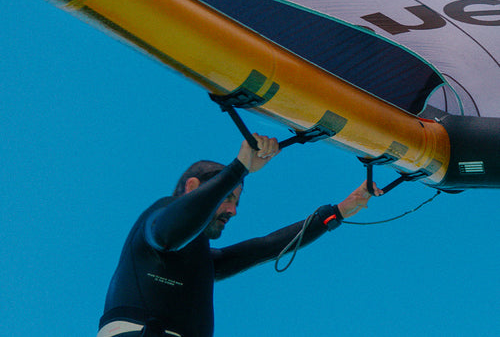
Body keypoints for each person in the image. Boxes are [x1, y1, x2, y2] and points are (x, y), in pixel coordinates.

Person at [97, 134, 382, 337]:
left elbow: (264, 247)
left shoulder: (200, 260)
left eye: (236, 202)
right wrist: (239, 167)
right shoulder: (160, 217)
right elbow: (169, 233)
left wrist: (339, 211)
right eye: (228, 197)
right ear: (192, 187)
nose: (233, 211)